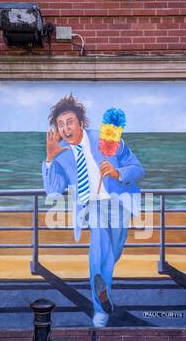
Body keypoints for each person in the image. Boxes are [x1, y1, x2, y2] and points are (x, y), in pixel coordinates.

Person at [42, 94, 145, 327]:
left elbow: (137, 169)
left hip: (118, 203)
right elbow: (52, 191)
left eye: (69, 122)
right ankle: (101, 310)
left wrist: (118, 173)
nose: (65, 128)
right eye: (60, 124)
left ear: (80, 123)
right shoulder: (59, 154)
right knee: (99, 246)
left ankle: (104, 289)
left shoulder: (106, 138)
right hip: (92, 207)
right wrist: (49, 160)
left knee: (111, 254)